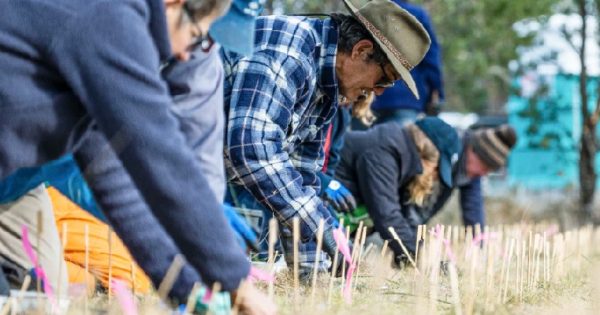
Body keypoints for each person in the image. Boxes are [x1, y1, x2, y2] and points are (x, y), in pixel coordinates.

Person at [0, 0, 275, 313]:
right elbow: (159, 151)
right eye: (196, 36)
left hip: (12, 184)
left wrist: (185, 287)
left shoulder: (107, 39)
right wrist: (234, 279)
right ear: (174, 3)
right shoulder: (108, 18)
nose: (187, 53)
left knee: (36, 302)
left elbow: (116, 184)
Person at [222, 0, 432, 276]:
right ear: (361, 50)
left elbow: (302, 178)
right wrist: (320, 225)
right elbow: (251, 149)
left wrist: (315, 274)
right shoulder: (290, 54)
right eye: (384, 80)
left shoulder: (326, 91)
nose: (378, 92)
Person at [335, 120, 517, 263]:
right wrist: (421, 259)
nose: (435, 175)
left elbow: (406, 212)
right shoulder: (385, 154)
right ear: (429, 154)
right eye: (437, 168)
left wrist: (416, 254)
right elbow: (388, 216)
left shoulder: (405, 158)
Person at [369, 0, 444, 126]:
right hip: (405, 100)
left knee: (362, 144)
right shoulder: (417, 15)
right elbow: (431, 60)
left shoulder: (370, 12)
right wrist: (436, 92)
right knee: (400, 144)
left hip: (368, 97)